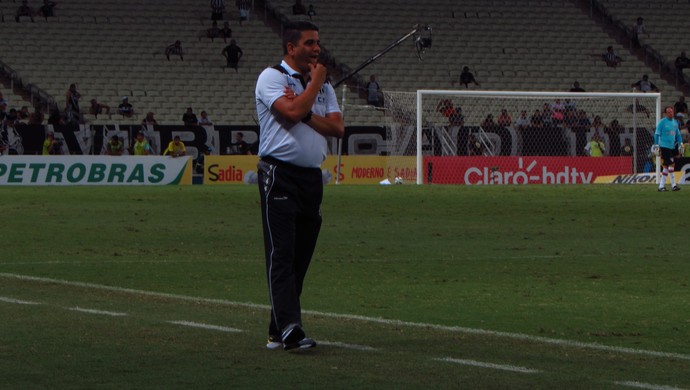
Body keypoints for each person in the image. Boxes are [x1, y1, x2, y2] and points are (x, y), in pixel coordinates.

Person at [255, 21, 344, 351]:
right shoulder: (271, 78)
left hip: (311, 178)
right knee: (282, 253)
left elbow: (336, 128)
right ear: (291, 48)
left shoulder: (322, 85)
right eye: (309, 43)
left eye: (318, 42)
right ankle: (291, 327)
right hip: (279, 174)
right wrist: (312, 91)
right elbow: (290, 111)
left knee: (300, 257)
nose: (317, 48)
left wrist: (307, 107)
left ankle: (279, 327)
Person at [654, 106, 683, 191]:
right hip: (664, 146)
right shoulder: (662, 122)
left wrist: (680, 143)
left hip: (672, 146)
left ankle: (661, 186)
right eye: (669, 112)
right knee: (672, 164)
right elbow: (656, 134)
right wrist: (656, 145)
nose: (671, 113)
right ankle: (674, 185)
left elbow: (678, 134)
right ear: (666, 113)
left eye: (672, 112)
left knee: (666, 166)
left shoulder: (675, 122)